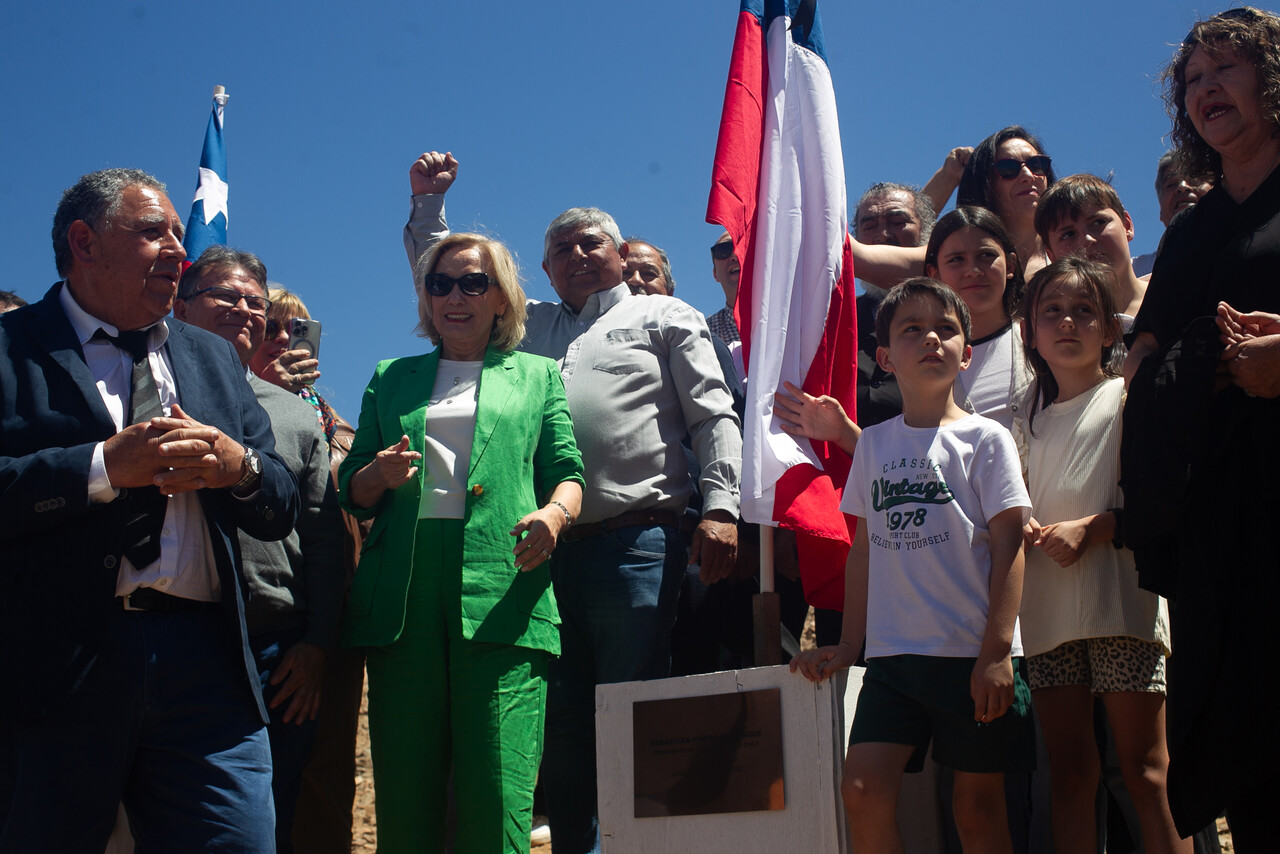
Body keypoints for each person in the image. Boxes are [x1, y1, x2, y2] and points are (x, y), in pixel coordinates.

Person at [402, 151, 742, 854]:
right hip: (538, 554)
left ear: (620, 255)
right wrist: (429, 207)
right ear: (544, 271)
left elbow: (713, 416)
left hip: (638, 544)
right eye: (561, 248)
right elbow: (445, 279)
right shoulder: (528, 329)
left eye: (592, 242)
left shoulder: (665, 313)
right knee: (558, 728)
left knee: (634, 717)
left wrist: (721, 508)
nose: (578, 253)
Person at [0, 168, 298, 851]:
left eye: (177, 231)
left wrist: (238, 468)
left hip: (208, 672)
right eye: (152, 232)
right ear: (84, 242)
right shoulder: (11, 350)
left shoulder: (214, 360)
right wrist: (104, 468)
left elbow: (278, 504)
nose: (178, 250)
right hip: (58, 668)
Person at [341, 231, 584, 854]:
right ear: (425, 299)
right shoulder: (390, 378)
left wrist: (554, 518)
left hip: (505, 594)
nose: (455, 295)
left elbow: (567, 472)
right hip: (404, 600)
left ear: (501, 298)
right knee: (406, 796)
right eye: (440, 283)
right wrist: (377, 475)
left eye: (473, 282)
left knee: (498, 795)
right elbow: (352, 485)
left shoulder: (537, 375)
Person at [790, 278, 1034, 854]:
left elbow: (1011, 545)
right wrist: (851, 646)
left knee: (976, 810)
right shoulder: (873, 445)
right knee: (862, 789)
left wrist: (997, 653)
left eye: (947, 329)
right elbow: (865, 551)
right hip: (894, 662)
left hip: (972, 657)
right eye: (912, 329)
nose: (931, 338)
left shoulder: (986, 438)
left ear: (966, 352)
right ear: (884, 357)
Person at [1120, 8, 1280, 849]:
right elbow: (1143, 352)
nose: (1208, 85)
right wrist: (1167, 365)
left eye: (1228, 66)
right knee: (1255, 774)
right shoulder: (1190, 234)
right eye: (1193, 78)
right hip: (1226, 528)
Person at [174, 246, 345, 854]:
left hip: (278, 651)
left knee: (269, 819)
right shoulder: (143, 389)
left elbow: (324, 540)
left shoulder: (299, 420)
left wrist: (317, 643)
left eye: (255, 301)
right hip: (173, 637)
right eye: (226, 296)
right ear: (180, 303)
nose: (244, 310)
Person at [1016, 257, 1183, 854]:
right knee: (1069, 774)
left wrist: (1095, 527)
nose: (1067, 322)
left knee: (1146, 774)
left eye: (1084, 310)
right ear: (1029, 330)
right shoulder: (1022, 420)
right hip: (1047, 618)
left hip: (1123, 610)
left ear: (1110, 329)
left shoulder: (1127, 398)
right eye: (1051, 311)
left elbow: (1161, 503)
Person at [253, 284, 372, 854]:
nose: (281, 339)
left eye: (294, 329)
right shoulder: (228, 403)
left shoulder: (332, 418)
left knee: (326, 778)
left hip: (335, 621)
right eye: (271, 326)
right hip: (268, 620)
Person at [923, 206, 1034, 430]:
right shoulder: (923, 356)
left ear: (1010, 265)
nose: (973, 270)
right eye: (956, 260)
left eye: (986, 255)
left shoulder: (1041, 338)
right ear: (935, 275)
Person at [1035, 174, 1148, 329]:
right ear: (1051, 256)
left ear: (1127, 225)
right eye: (1068, 234)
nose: (1087, 239)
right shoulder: (1054, 333)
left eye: (1098, 222)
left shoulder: (1178, 293)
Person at [958, 126, 1057, 279]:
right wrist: (947, 176)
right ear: (985, 186)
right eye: (1008, 169)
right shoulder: (959, 260)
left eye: (1036, 165)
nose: (1027, 175)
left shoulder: (1070, 250)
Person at [1132, 153, 1216, 278]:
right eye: (1171, 184)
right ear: (1161, 212)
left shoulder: (1246, 250)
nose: (1182, 187)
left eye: (1194, 178)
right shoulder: (1134, 272)